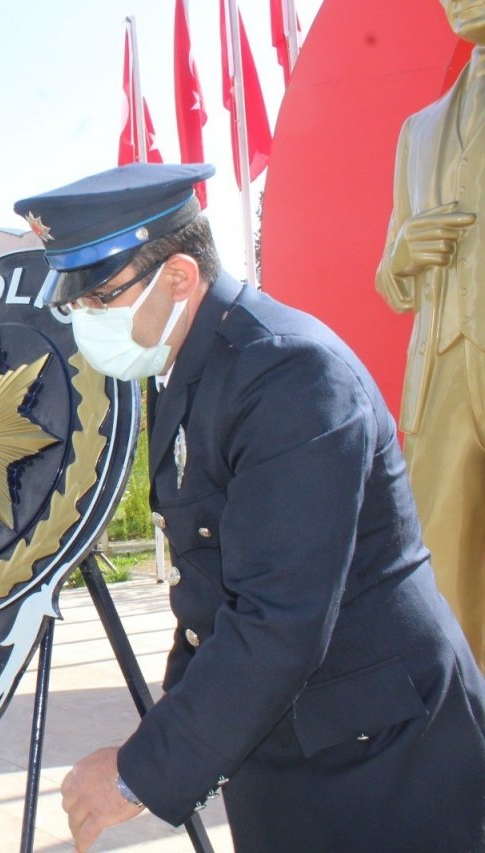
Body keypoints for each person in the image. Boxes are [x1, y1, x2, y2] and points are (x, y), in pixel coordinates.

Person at [12, 162, 485, 852]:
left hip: (383, 757)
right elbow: (211, 591)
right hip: (290, 740)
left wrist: (138, 773)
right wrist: (172, 725)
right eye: (75, 306)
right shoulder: (193, 367)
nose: (85, 320)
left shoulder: (290, 373)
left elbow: (280, 616)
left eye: (100, 299)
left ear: (178, 277)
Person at [375, 0, 485, 670]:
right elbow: (389, 279)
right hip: (441, 377)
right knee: (440, 580)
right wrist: (405, 253)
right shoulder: (419, 131)